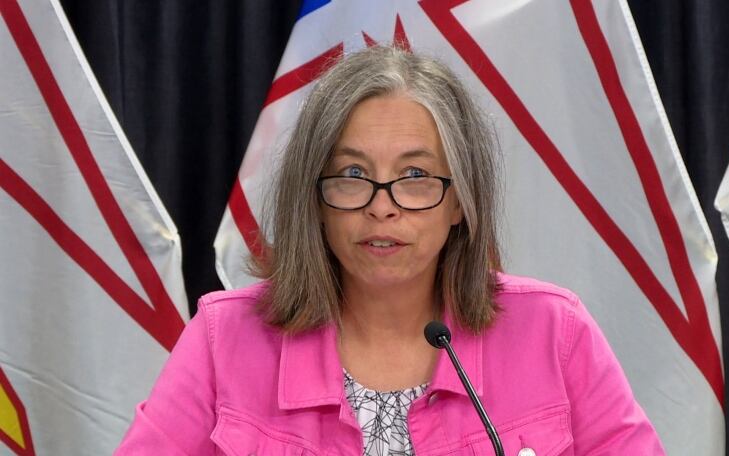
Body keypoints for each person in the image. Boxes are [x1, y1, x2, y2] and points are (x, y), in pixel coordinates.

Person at [115, 45, 665, 455]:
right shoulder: (223, 339)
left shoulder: (554, 332)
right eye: (354, 174)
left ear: (460, 202)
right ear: (316, 196)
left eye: (416, 175)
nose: (383, 207)